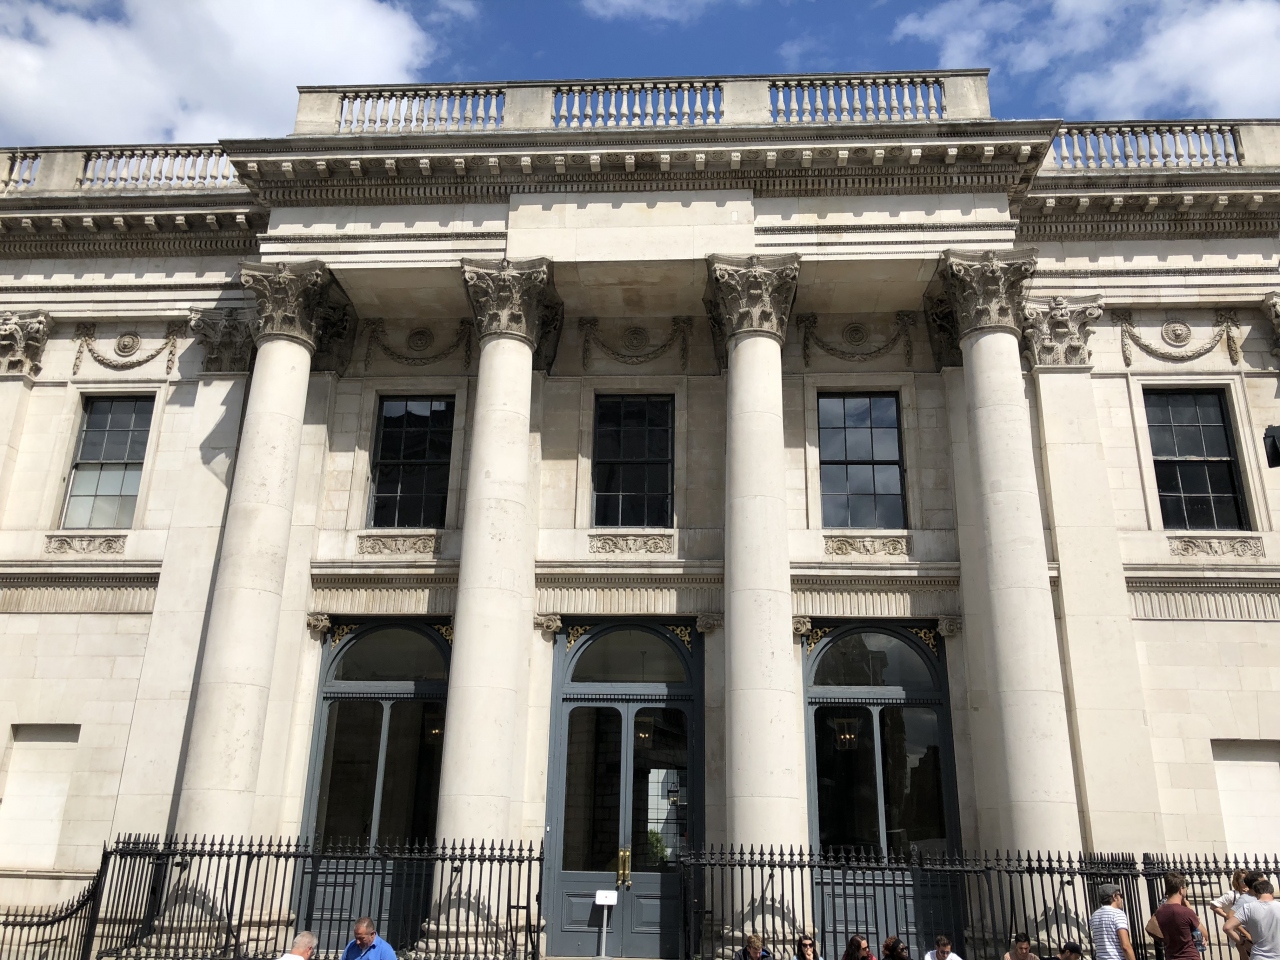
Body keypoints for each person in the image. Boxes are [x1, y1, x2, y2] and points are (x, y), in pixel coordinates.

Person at [1147, 872, 1202, 960]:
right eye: (1185, 887)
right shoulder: (1186, 912)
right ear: (1181, 889)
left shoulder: (1159, 911)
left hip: (1171, 956)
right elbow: (1204, 934)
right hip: (1189, 956)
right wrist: (1189, 906)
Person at [1227, 880, 1280, 960]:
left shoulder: (1248, 908)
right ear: (1272, 893)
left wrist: (1243, 943)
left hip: (1258, 956)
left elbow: (1227, 928)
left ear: (1255, 894)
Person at [1089, 884, 1136, 960]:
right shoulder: (1118, 914)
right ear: (1114, 897)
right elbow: (1125, 946)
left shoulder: (1094, 915)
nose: (1121, 899)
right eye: (1120, 895)